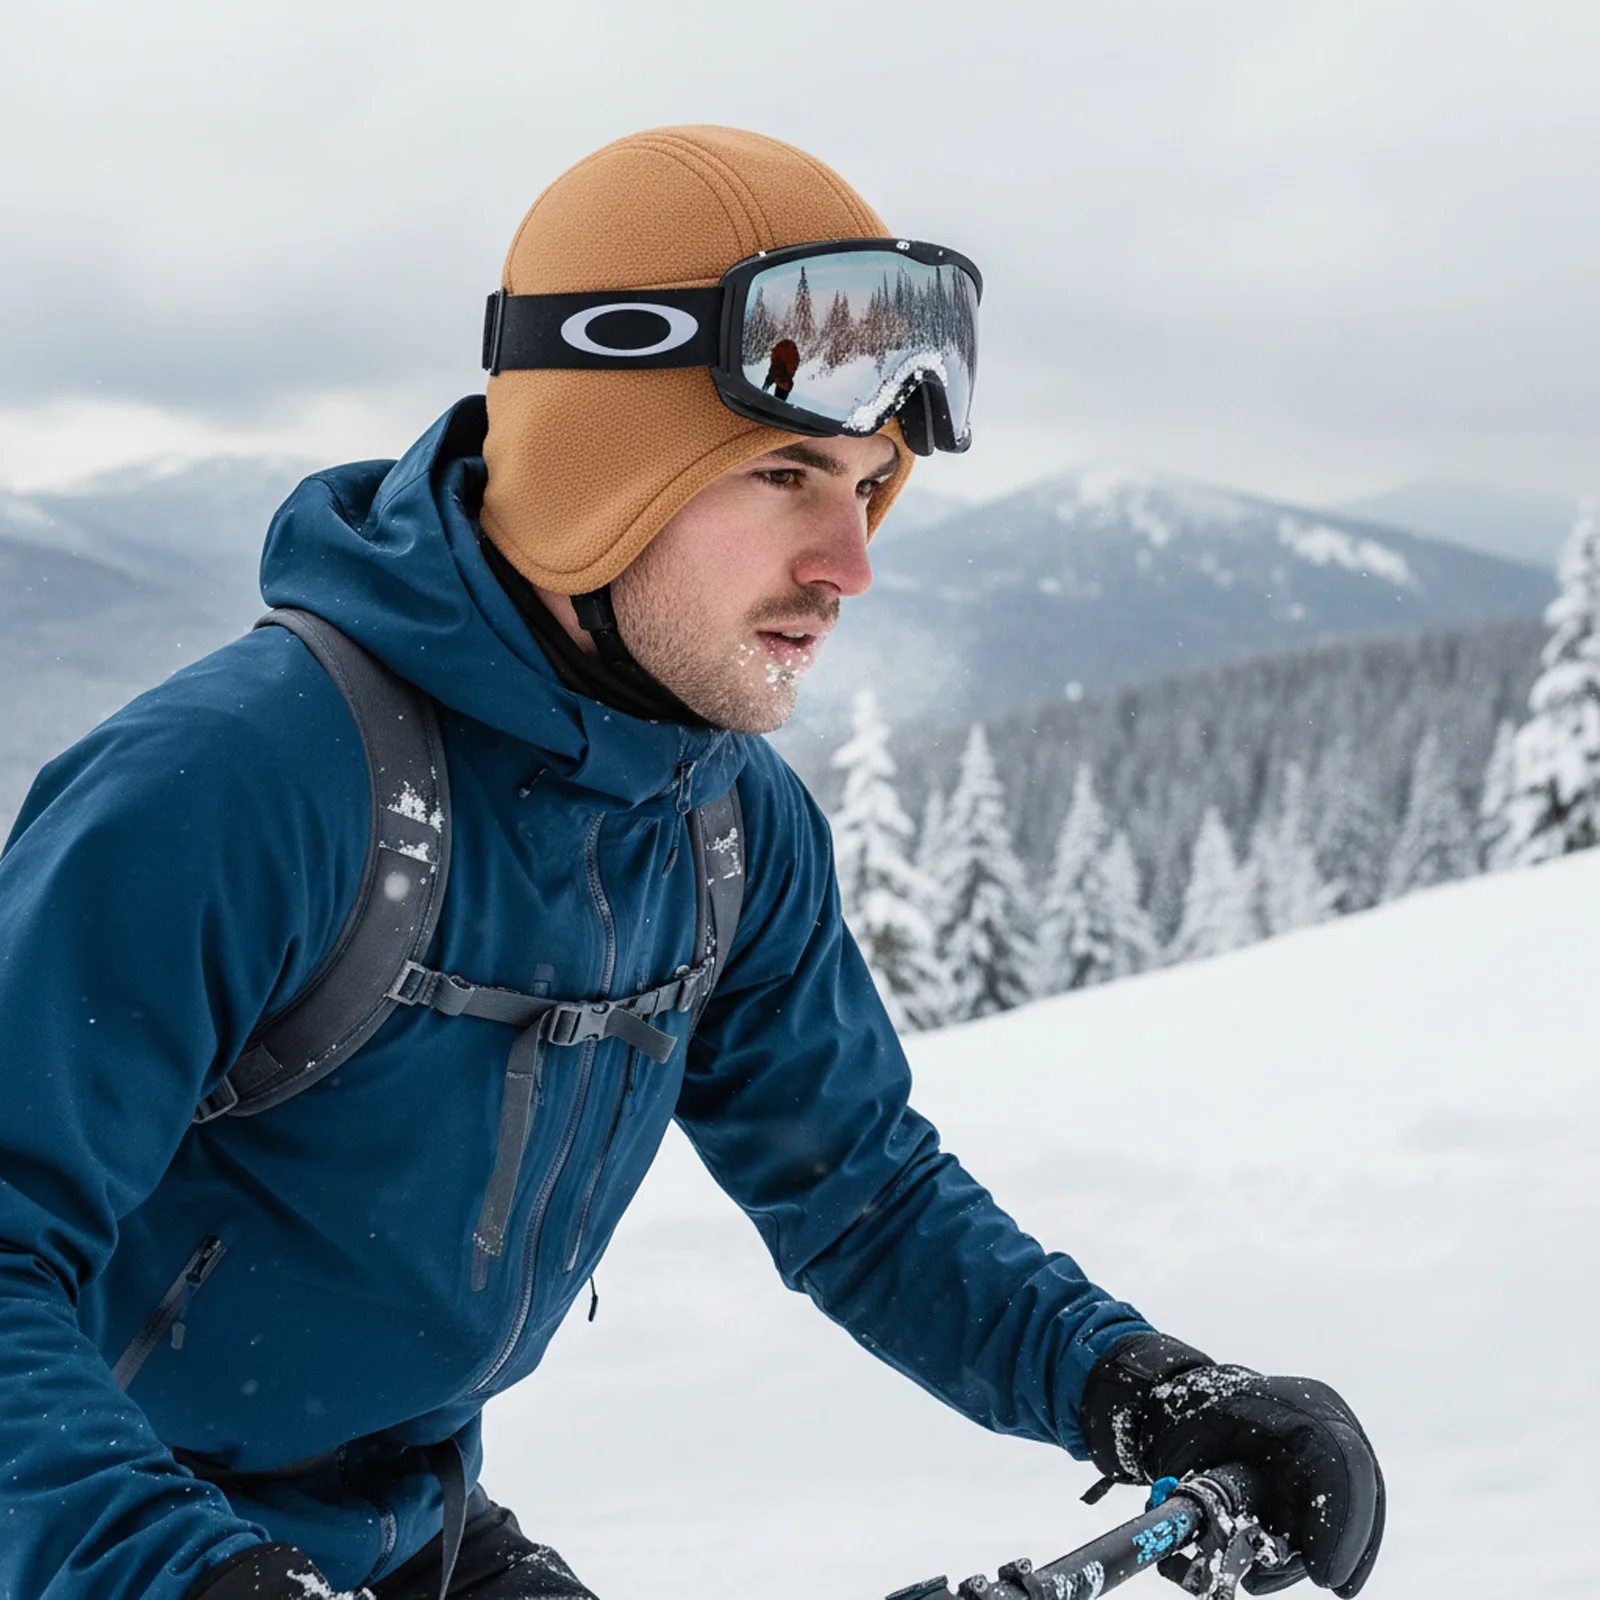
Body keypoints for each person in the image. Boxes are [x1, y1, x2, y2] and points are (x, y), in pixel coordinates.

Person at [0, 126, 1383, 1600]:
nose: (850, 562)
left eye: (871, 485)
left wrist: (1136, 1385)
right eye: (788, 473)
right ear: (600, 478)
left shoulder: (728, 828)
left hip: (401, 1534)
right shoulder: (243, 784)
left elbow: (861, 1195)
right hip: (90, 1539)